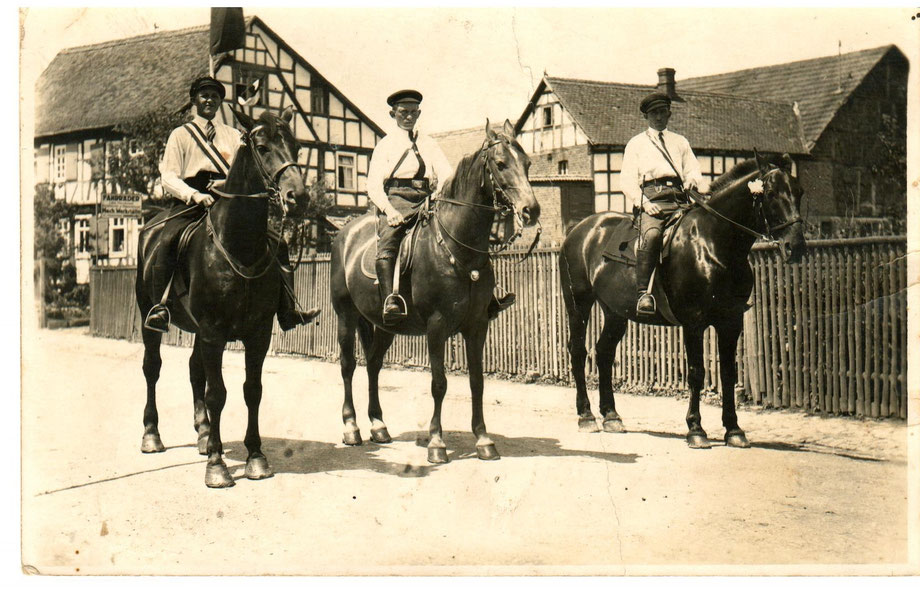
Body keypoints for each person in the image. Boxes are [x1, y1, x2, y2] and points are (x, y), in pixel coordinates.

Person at [144, 75, 319, 333]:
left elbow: (248, 167)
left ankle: (287, 309)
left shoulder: (234, 135)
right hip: (191, 200)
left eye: (215, 96)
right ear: (194, 100)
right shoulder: (180, 135)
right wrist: (194, 194)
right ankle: (161, 307)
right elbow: (168, 176)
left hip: (229, 199)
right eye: (204, 96)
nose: (209, 101)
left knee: (277, 242)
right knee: (169, 239)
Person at [367, 89, 515, 325]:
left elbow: (446, 175)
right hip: (397, 198)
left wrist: (437, 194)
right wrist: (390, 211)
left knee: (464, 233)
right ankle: (390, 300)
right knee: (390, 238)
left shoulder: (428, 143)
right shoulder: (384, 145)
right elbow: (373, 186)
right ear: (392, 114)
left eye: (414, 112)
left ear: (419, 113)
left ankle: (488, 297)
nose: (409, 117)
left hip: (426, 197)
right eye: (403, 112)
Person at [620, 91, 708, 316]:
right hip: (652, 199)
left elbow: (693, 169)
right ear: (646, 117)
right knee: (652, 236)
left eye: (662, 112)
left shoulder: (680, 142)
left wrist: (691, 180)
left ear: (669, 113)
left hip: (679, 199)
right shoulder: (636, 144)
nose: (658, 117)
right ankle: (643, 294)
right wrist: (644, 204)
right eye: (653, 113)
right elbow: (627, 180)